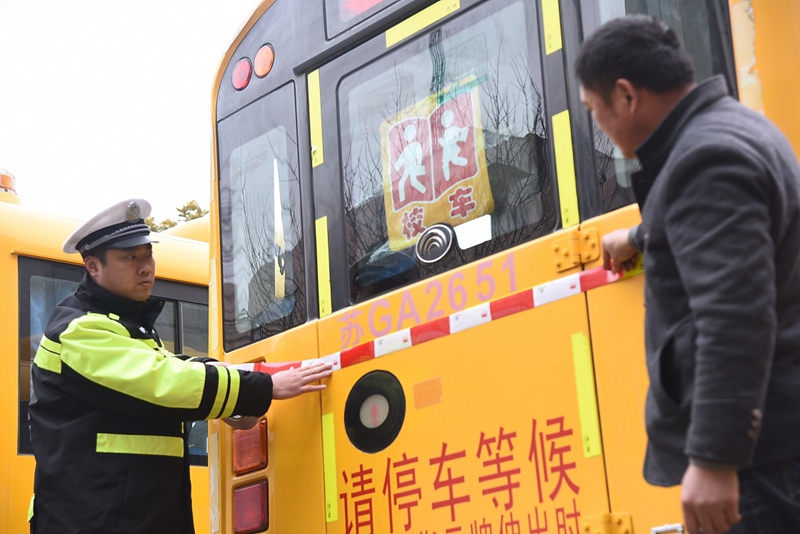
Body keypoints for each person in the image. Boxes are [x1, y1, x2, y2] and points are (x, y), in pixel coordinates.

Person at [576, 15, 800, 534]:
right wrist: (636, 237)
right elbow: (735, 238)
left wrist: (715, 458)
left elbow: (735, 316)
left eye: (594, 110)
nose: (600, 127)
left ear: (626, 96)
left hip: (762, 459)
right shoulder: (730, 129)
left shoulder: (705, 159)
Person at [28, 198, 332, 534]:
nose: (146, 267)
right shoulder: (82, 329)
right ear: (92, 266)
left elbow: (166, 367)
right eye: (130, 257)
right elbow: (162, 381)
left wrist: (234, 398)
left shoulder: (120, 324)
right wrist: (263, 388)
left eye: (148, 254)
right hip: (95, 521)